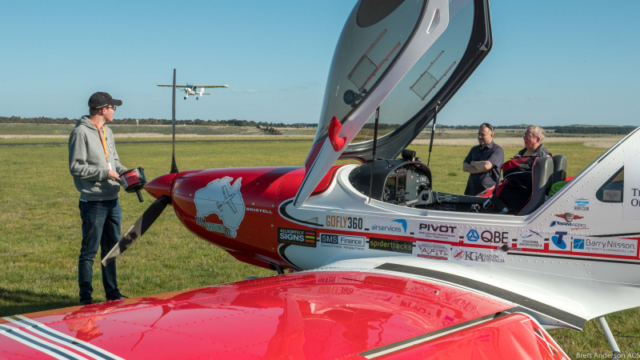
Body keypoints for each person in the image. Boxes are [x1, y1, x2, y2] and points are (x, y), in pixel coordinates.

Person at [69, 92, 127, 305]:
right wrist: (106, 174)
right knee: (89, 252)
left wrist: (127, 173)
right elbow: (76, 167)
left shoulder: (108, 132)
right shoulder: (80, 133)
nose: (115, 111)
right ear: (103, 110)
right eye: (113, 107)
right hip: (93, 203)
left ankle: (112, 294)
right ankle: (86, 299)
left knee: (111, 251)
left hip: (112, 200)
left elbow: (115, 162)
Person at [462, 123, 504, 196]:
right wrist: (481, 168)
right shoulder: (474, 149)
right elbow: (465, 167)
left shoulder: (497, 150)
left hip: (489, 193)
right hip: (471, 192)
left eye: (483, 134)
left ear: (491, 135)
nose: (479, 136)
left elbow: (486, 166)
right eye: (478, 134)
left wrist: (472, 163)